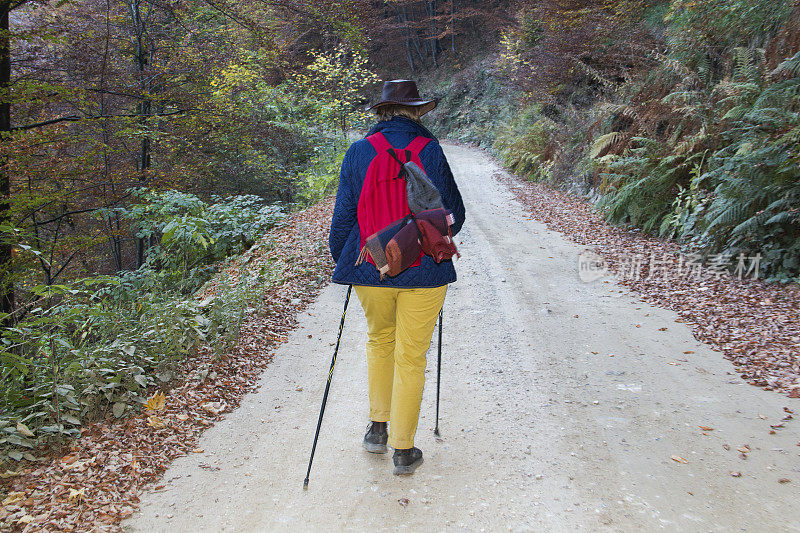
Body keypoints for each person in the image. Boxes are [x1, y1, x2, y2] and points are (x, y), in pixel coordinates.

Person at [328, 79, 466, 475]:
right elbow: (454, 214)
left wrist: (350, 264)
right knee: (412, 357)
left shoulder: (358, 152)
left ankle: (377, 429)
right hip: (425, 269)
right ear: (417, 112)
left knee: (380, 341)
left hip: (369, 265)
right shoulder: (431, 150)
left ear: (381, 113)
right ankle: (404, 452)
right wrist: (421, 243)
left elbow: (343, 220)